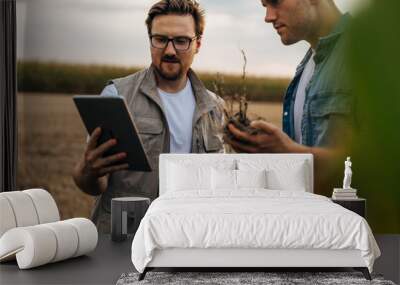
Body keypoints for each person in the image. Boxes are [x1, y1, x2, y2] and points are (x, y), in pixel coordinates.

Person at [73, 0, 224, 233]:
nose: (170, 51)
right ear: (150, 40)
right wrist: (88, 169)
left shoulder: (215, 108)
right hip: (126, 238)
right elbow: (93, 184)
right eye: (161, 39)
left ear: (198, 44)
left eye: (181, 41)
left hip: (191, 236)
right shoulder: (116, 96)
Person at [225, 0, 354, 195]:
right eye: (264, 6)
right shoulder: (306, 66)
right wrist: (266, 151)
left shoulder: (368, 52)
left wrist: (286, 152)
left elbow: (383, 164)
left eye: (275, 2)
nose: (268, 17)